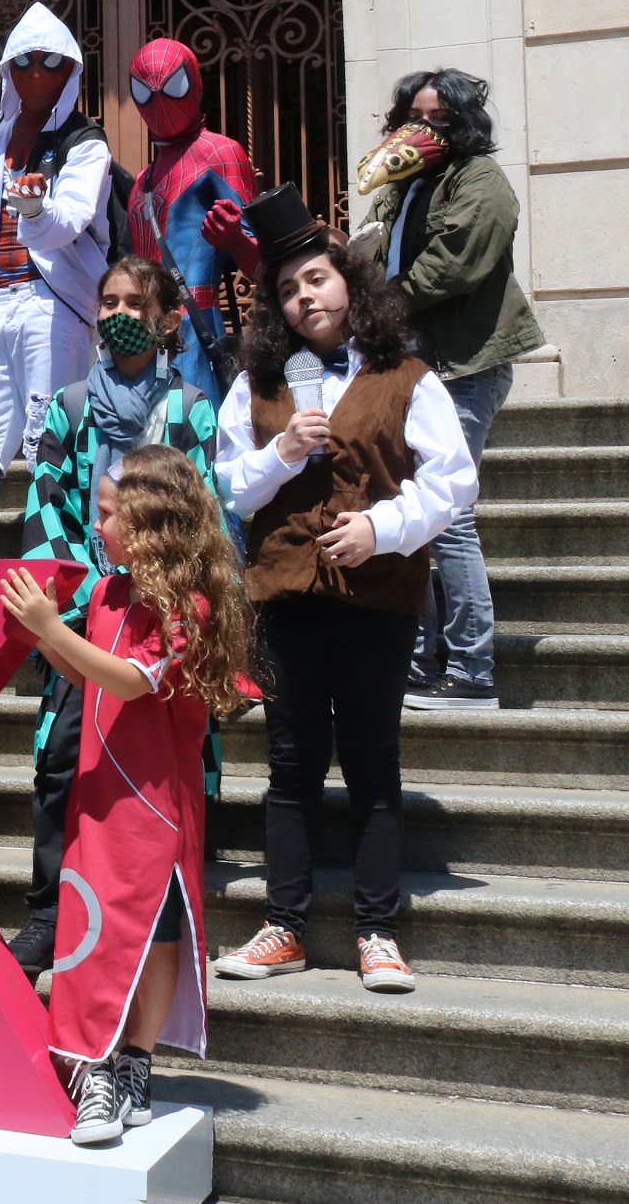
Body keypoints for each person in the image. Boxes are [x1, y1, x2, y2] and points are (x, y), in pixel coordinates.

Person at [210, 185, 477, 997]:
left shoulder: (408, 376)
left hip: (379, 595)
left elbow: (455, 484)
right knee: (292, 765)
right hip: (289, 593)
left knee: (370, 760)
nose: (304, 299)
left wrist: (383, 528)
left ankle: (377, 932)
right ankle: (284, 926)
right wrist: (281, 452)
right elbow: (231, 487)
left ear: (349, 285)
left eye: (317, 282)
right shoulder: (257, 386)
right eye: (289, 291)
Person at [0, 446, 252, 1145]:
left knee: (156, 934)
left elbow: (133, 681)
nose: (97, 524)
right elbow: (94, 677)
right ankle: (95, 1066)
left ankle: (130, 1062)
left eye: (108, 514)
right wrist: (47, 638)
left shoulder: (186, 607)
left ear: (150, 523)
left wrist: (51, 631)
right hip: (102, 802)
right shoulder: (111, 595)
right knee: (94, 937)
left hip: (157, 811)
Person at [10, 257, 220, 976]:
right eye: (108, 300)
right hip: (84, 614)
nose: (119, 311)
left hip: (159, 615)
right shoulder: (68, 408)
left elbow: (200, 510)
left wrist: (150, 589)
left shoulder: (191, 408)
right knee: (63, 762)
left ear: (166, 320)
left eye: (136, 301)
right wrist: (83, 602)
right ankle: (48, 908)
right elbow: (48, 505)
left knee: (159, 771)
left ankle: (160, 908)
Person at [358, 69, 545, 712]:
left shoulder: (480, 181)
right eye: (412, 115)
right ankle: (417, 659)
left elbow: (454, 262)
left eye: (436, 119)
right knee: (411, 507)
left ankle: (472, 669)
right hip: (413, 366)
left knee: (450, 514)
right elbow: (379, 251)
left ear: (462, 124)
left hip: (466, 366)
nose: (421, 128)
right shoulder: (407, 182)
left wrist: (385, 302)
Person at [0, 3, 117, 561]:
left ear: (71, 69)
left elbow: (67, 223)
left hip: (55, 305)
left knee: (55, 442)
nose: (37, 74)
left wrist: (36, 211)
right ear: (7, 70)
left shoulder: (85, 141)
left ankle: (64, 570)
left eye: (50, 62)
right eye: (24, 62)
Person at [121, 37, 260, 409]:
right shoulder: (141, 182)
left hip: (193, 326)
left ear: (193, 82)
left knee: (195, 437)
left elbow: (265, 264)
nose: (159, 101)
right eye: (144, 92)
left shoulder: (219, 152)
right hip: (140, 328)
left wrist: (235, 241)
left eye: (171, 86)